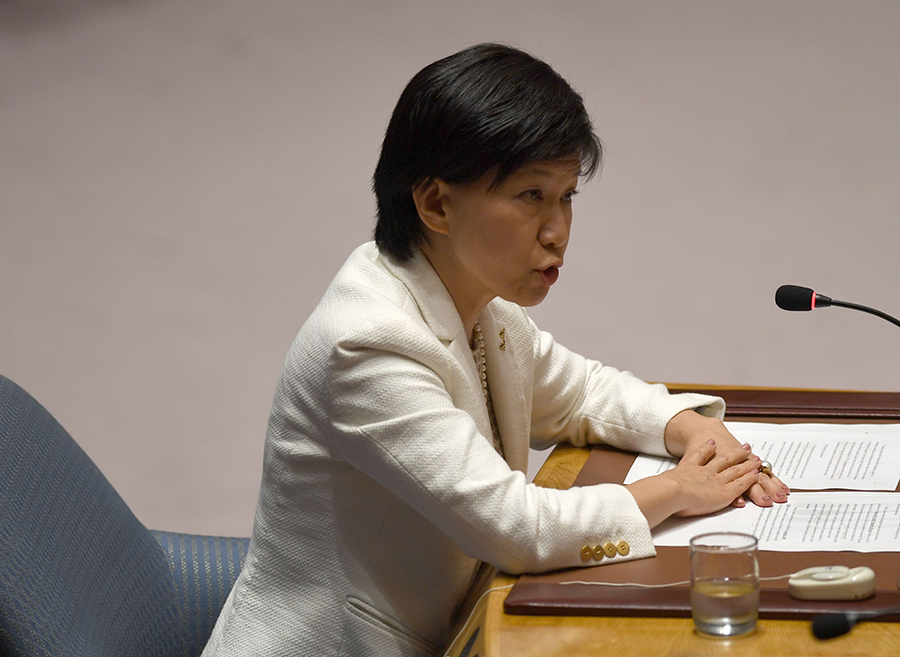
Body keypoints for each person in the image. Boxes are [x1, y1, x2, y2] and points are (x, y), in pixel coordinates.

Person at [202, 43, 789, 657]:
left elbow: (581, 393)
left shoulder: (480, 299)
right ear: (434, 203)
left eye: (566, 196)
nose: (557, 230)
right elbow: (517, 528)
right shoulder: (367, 344)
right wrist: (679, 490)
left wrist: (685, 427)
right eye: (530, 196)